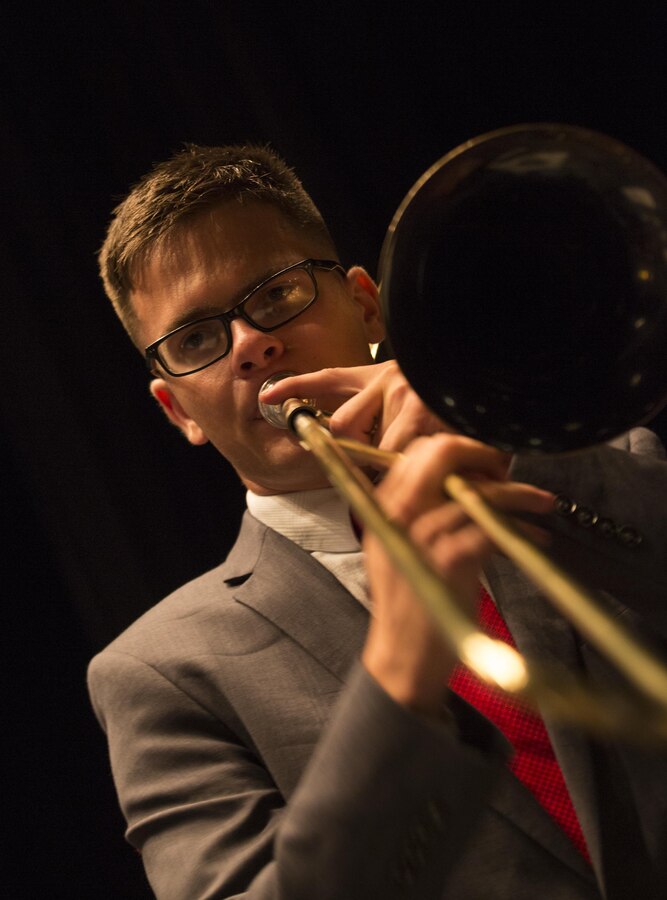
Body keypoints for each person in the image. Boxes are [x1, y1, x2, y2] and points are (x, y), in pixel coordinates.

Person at [88, 143, 667, 899]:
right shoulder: (161, 674)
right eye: (195, 339)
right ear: (178, 411)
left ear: (366, 306)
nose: (252, 345)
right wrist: (398, 675)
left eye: (276, 294)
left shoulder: (599, 464)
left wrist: (506, 450)